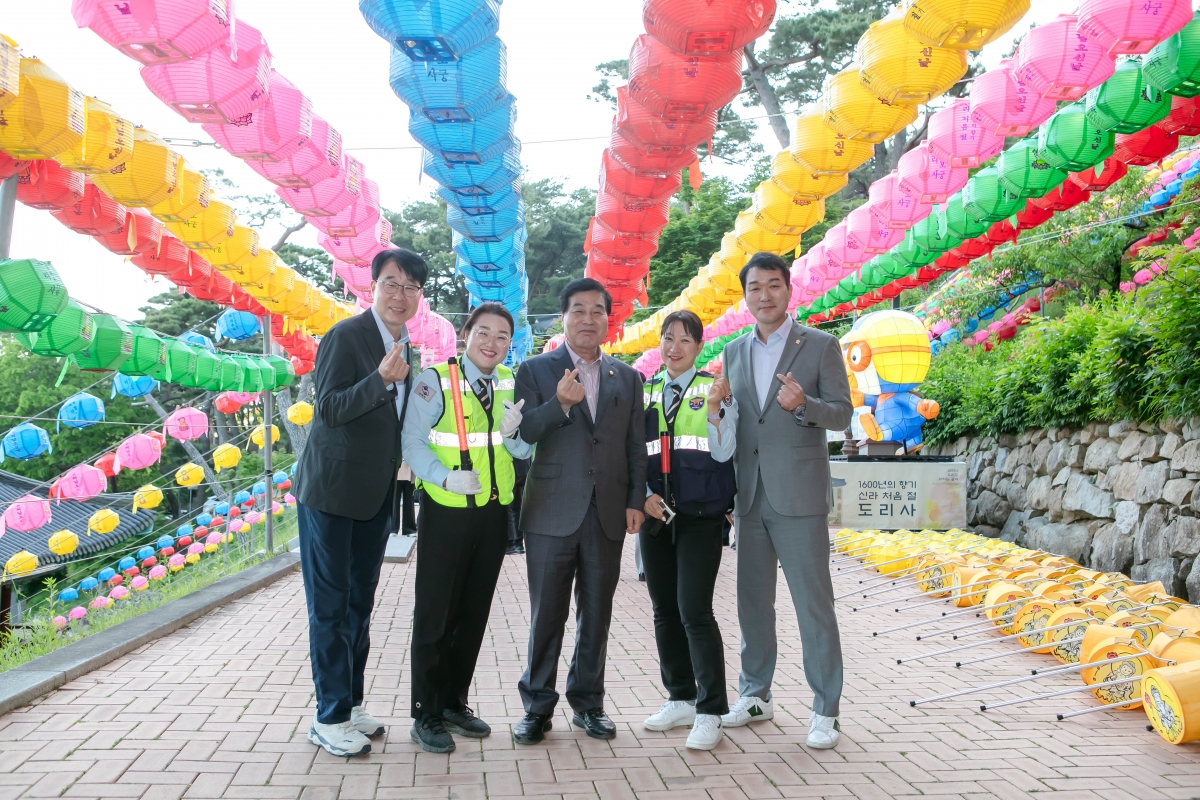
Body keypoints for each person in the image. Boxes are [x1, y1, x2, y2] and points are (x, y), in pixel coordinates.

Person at [293, 248, 427, 757]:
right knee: (330, 607)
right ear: (372, 287)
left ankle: (348, 704)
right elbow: (326, 410)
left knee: (359, 603)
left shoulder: (403, 343)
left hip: (374, 497)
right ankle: (327, 718)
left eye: (411, 287)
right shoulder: (346, 337)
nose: (400, 295)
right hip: (330, 494)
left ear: (419, 298)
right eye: (391, 283)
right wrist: (380, 381)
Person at [719, 251, 852, 750]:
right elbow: (736, 421)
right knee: (753, 604)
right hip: (749, 497)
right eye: (755, 288)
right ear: (746, 295)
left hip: (798, 497)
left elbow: (841, 415)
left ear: (788, 290)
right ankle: (755, 695)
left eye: (773, 285)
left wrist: (805, 407)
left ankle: (826, 710)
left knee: (813, 606)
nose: (764, 296)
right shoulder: (734, 351)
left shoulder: (819, 345)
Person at [511, 278, 647, 745]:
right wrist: (558, 405)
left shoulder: (627, 378)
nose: (588, 319)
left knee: (597, 613)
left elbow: (635, 446)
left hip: (607, 512)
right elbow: (523, 433)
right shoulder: (533, 370)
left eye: (597, 311)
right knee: (546, 613)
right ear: (562, 317)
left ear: (608, 320)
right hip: (551, 511)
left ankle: (588, 703)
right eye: (578, 310)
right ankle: (536, 707)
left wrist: (635, 500)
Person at [401, 302, 532, 753]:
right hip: (447, 509)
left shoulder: (510, 382)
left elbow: (515, 452)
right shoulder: (435, 380)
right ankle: (426, 712)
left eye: (502, 337)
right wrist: (441, 477)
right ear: (466, 334)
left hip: (494, 513)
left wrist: (519, 434)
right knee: (436, 615)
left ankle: (454, 703)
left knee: (473, 614)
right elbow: (413, 441)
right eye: (484, 333)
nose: (492, 343)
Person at [638, 310, 737, 751]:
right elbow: (631, 454)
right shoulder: (646, 391)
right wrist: (642, 495)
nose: (674, 347)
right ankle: (679, 696)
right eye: (667, 338)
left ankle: (711, 710)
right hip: (657, 518)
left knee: (694, 610)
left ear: (699, 347)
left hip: (700, 518)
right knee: (663, 611)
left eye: (684, 340)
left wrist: (716, 408)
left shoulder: (713, 389)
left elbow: (724, 452)